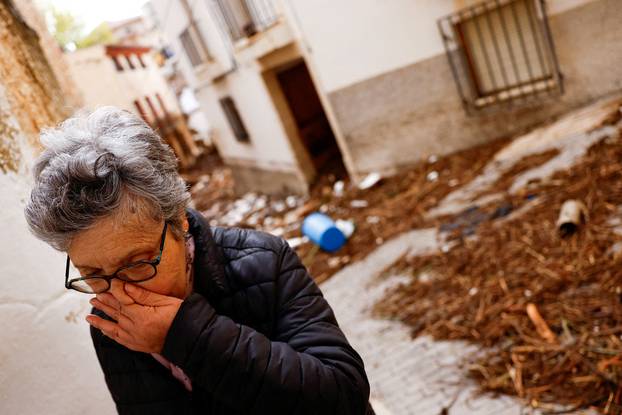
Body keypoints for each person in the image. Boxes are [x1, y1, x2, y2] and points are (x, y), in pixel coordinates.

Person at [24, 107, 373, 414]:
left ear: (179, 220)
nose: (122, 294)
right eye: (93, 273)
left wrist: (185, 335)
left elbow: (343, 395)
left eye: (137, 264)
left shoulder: (265, 261)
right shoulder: (110, 323)